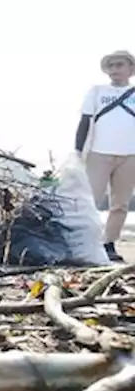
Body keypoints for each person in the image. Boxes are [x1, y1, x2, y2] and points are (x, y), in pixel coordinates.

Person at [75, 50, 135, 262]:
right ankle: (85, 242)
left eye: (119, 65)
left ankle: (109, 244)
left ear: (131, 68)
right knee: (90, 200)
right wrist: (77, 150)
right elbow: (84, 121)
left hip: (130, 155)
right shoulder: (97, 91)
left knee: (120, 204)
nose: (114, 70)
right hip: (99, 153)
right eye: (111, 66)